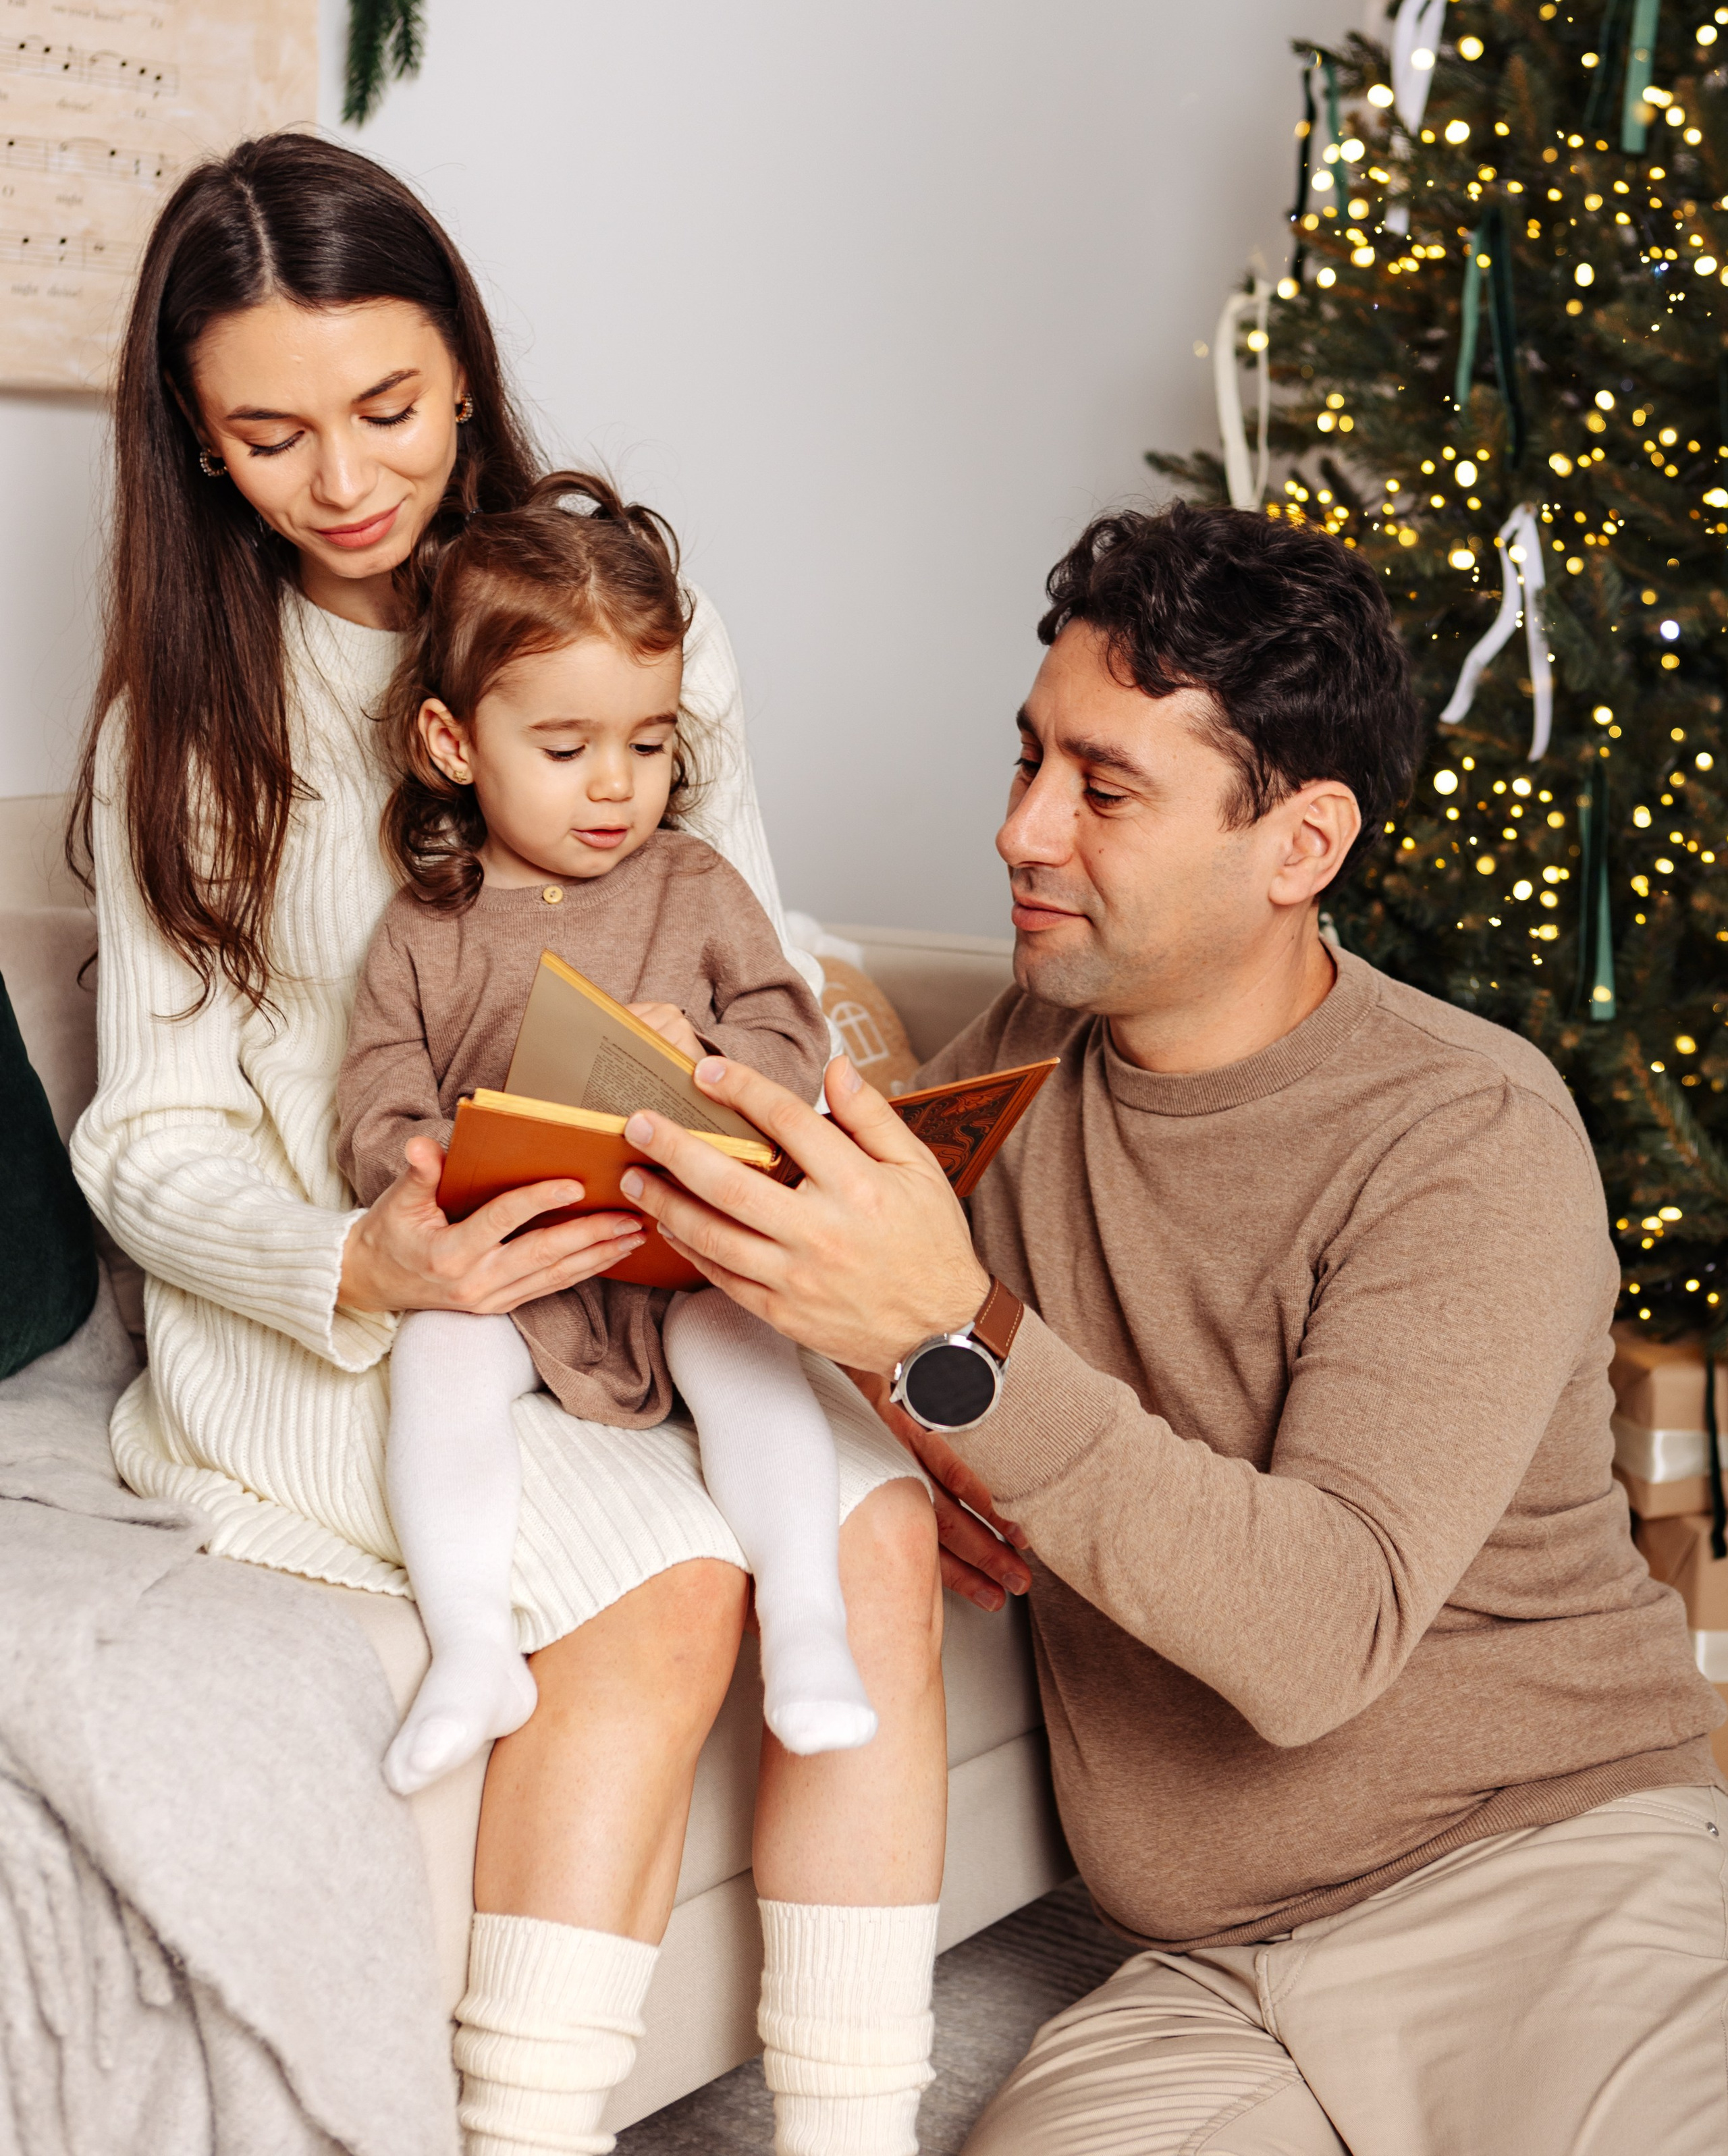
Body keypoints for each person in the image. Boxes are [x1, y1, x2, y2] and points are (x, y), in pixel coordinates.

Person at [618, 500, 1728, 2156]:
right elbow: (874, 1329)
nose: (1020, 831)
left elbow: (1315, 1635)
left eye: (1104, 789)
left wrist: (955, 1350)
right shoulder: (1018, 1060)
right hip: (1203, 1968)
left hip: (1544, 1875)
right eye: (1028, 762)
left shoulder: (1467, 1136)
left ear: (1299, 846)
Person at [69, 134, 946, 2156]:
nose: (348, 479)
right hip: (351, 1315)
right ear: (198, 447)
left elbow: (752, 934)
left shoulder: (634, 621)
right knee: (666, 1586)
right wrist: (365, 1261)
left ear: (463, 371)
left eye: (386, 408)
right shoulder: (186, 730)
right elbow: (146, 1136)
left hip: (634, 1260)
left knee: (874, 1536)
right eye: (270, 436)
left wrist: (799, 1115)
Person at [338, 466, 880, 1796]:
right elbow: (372, 1099)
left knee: (746, 1347)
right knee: (444, 1363)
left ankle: (803, 1614)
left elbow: (787, 1032)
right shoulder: (423, 926)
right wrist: (420, 1159)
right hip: (523, 1270)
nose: (615, 788)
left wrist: (711, 1058)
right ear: (453, 746)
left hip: (682, 1248)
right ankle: (472, 1645)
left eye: (647, 745)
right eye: (567, 749)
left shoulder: (693, 884)